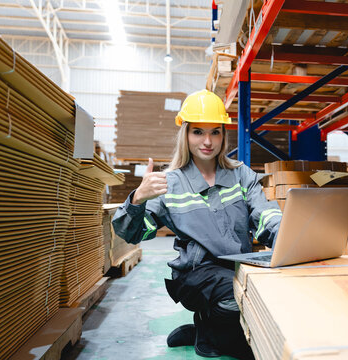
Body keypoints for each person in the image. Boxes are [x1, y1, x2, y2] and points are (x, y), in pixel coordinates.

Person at [112, 89, 282, 359]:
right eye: (198, 132)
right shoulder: (170, 183)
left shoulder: (241, 175)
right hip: (195, 274)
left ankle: (206, 327)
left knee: (260, 293)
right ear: (186, 134)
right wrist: (138, 198)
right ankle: (214, 333)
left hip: (237, 266)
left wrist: (287, 237)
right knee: (238, 305)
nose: (207, 141)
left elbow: (265, 215)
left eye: (215, 132)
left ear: (223, 135)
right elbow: (130, 233)